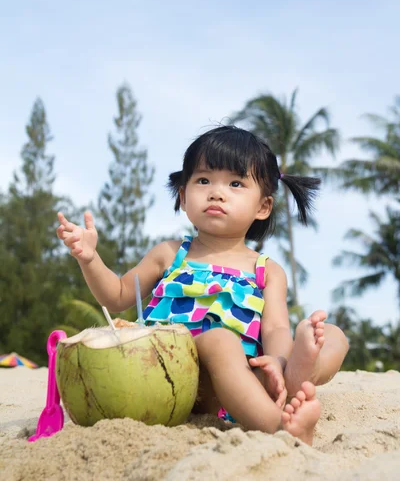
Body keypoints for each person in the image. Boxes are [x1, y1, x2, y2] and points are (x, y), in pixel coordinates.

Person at [57, 125, 348, 445]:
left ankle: (296, 373)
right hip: (168, 378)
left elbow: (277, 328)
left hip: (244, 384)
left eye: (235, 183)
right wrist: (89, 258)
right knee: (221, 342)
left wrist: (277, 362)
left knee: (334, 336)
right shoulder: (169, 254)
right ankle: (279, 428)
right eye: (203, 180)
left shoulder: (267, 270)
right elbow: (117, 296)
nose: (216, 192)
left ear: (263, 207)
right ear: (183, 196)